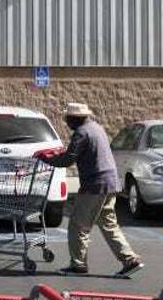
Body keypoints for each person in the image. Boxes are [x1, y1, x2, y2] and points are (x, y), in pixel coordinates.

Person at [36, 102, 144, 277]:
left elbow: (67, 160)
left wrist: (45, 158)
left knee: (78, 226)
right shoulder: (96, 128)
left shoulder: (81, 132)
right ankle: (130, 259)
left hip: (95, 185)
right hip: (110, 183)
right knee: (109, 224)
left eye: (67, 119)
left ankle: (78, 265)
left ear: (75, 118)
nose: (66, 122)